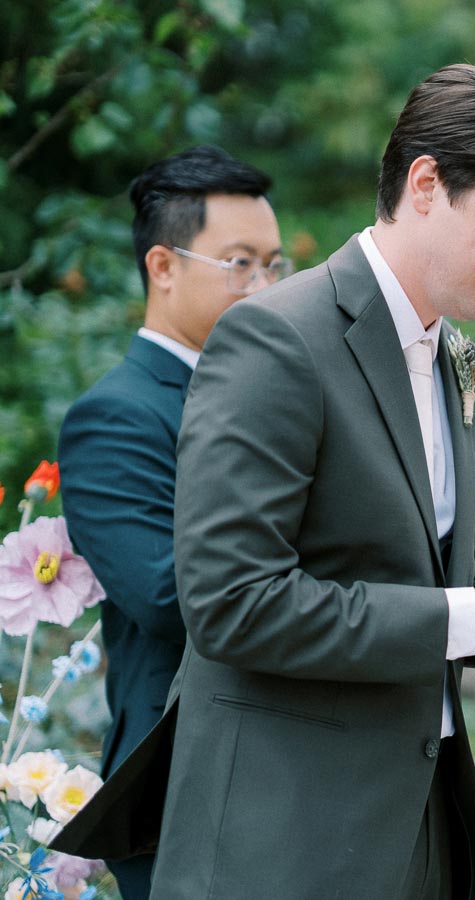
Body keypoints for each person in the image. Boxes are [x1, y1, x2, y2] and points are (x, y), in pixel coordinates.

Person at [52, 64, 475, 898]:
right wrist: (468, 614)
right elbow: (232, 604)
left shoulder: (463, 364)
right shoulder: (276, 339)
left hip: (426, 819)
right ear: (426, 184)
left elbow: (442, 584)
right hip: (284, 832)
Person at [57, 144, 287, 899]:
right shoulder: (117, 415)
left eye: (274, 266)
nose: (263, 288)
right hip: (185, 772)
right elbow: (164, 596)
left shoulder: (277, 397)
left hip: (289, 762)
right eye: (240, 263)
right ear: (163, 266)